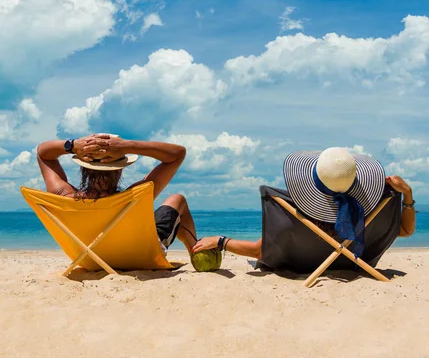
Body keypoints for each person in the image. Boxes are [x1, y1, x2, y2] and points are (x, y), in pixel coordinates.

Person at [192, 148, 416, 261]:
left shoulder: (293, 210)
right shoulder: (373, 211)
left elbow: (260, 251)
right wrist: (407, 195)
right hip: (355, 264)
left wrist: (221, 241)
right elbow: (406, 231)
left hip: (302, 267)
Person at [37, 133, 199, 257]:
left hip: (90, 257)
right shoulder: (135, 196)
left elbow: (43, 153)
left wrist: (72, 145)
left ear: (83, 167)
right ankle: (197, 251)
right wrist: (127, 145)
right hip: (139, 256)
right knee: (178, 199)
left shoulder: (63, 195)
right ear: (120, 169)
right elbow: (177, 154)